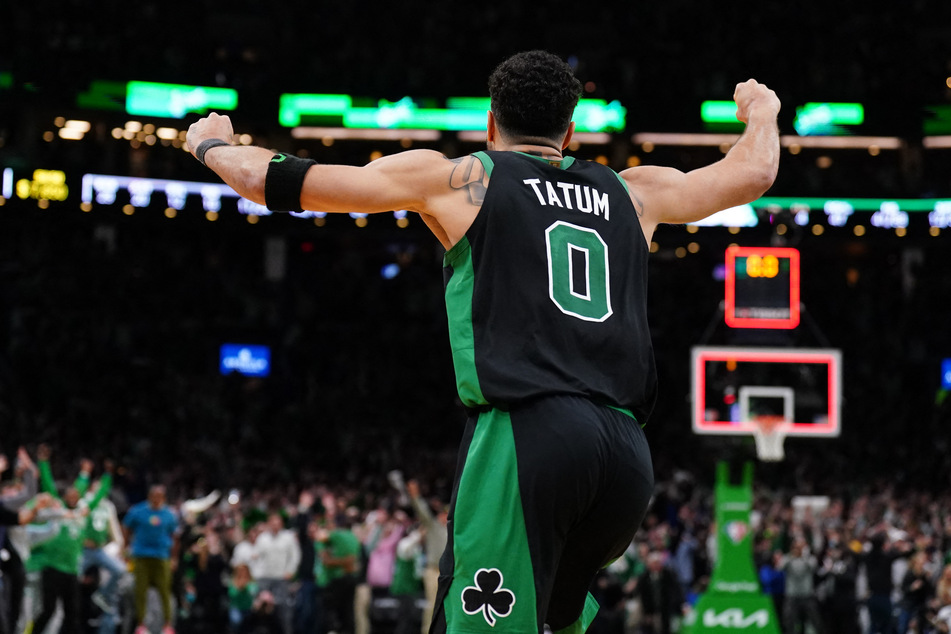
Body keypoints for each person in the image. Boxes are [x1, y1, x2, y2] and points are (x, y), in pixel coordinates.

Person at [186, 49, 780, 634]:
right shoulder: (634, 192)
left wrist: (211, 145)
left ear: (490, 123)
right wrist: (762, 109)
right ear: (569, 132)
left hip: (529, 436)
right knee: (555, 622)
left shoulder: (463, 178)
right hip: (625, 456)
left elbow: (281, 182)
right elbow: (752, 173)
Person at [123, 484, 180, 634]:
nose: (156, 499)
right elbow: (126, 528)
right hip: (141, 555)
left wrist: (174, 557)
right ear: (149, 496)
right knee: (140, 590)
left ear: (164, 498)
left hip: (162, 556)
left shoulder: (169, 514)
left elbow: (175, 537)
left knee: (164, 591)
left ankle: (167, 625)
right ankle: (141, 625)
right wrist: (126, 547)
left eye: (159, 496)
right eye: (154, 496)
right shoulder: (138, 511)